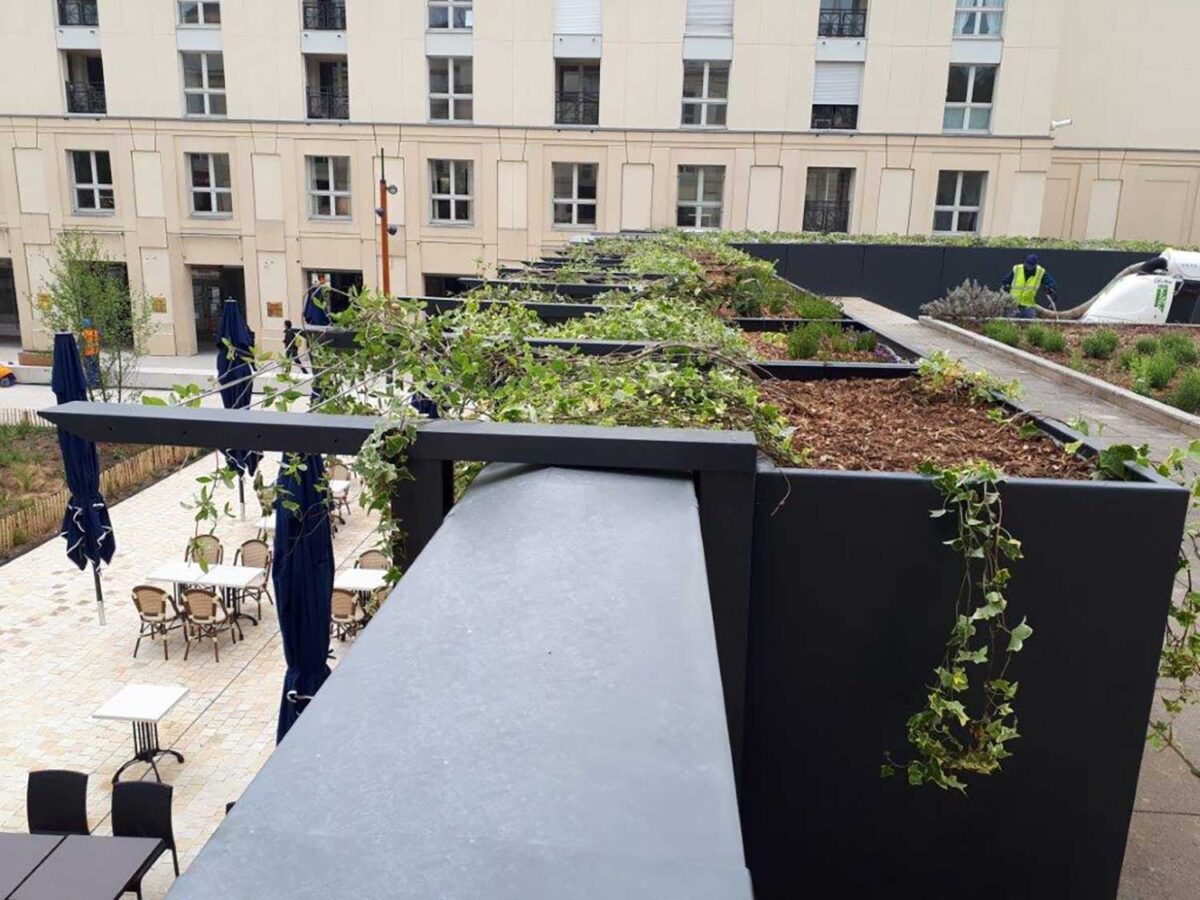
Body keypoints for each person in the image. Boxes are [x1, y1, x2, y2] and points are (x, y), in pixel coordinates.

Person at [1002, 254, 1058, 319]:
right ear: (1025, 262)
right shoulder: (1017, 269)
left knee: (1031, 325)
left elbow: (1050, 281)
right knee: (1010, 324)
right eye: (1027, 265)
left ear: (1035, 265)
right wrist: (1006, 285)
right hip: (1013, 305)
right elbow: (1006, 280)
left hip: (1028, 306)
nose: (1029, 267)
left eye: (1031, 266)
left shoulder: (1040, 272)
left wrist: (1050, 287)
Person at [80, 317, 101, 388]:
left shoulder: (83, 334)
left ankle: (92, 384)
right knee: (96, 368)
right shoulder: (95, 332)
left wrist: (80, 353)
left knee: (89, 369)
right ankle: (97, 383)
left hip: (88, 353)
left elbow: (81, 344)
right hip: (96, 352)